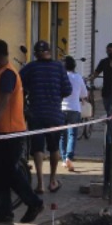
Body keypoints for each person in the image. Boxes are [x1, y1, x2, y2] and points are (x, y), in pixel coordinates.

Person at [0, 40, 43, 223]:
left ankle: (34, 202)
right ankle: (4, 212)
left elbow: (4, 101)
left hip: (9, 132)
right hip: (1, 132)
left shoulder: (7, 74)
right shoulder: (1, 73)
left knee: (8, 171)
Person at [19, 40, 71, 194]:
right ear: (49, 52)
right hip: (54, 114)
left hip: (36, 113)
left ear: (35, 54)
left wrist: (29, 91)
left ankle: (40, 183)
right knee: (54, 147)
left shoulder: (30, 67)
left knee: (37, 148)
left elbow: (18, 83)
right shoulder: (59, 68)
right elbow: (67, 89)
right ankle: (53, 180)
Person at [60, 56, 88, 172]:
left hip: (61, 108)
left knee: (62, 135)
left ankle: (63, 159)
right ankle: (69, 157)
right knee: (72, 135)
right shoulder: (78, 77)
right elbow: (84, 94)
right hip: (75, 109)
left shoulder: (61, 77)